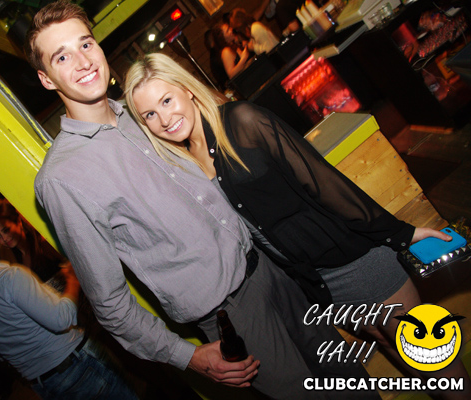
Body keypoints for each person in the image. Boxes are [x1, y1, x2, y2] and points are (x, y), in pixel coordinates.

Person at [26, 2, 379, 398]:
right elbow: (110, 303)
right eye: (62, 57)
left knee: (350, 378)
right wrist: (186, 356)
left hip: (272, 269)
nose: (83, 62)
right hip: (233, 315)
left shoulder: (142, 114)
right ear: (46, 79)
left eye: (85, 44)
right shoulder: (62, 178)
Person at [124, 52, 471, 399]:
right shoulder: (187, 162)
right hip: (315, 282)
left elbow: (323, 183)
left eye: (167, 100)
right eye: (149, 114)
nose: (164, 119)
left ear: (187, 89)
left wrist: (401, 233)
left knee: (428, 352)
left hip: (353, 258)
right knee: (388, 342)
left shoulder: (241, 121)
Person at [0, 223, 138, 400]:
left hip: (43, 384)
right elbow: (61, 319)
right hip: (75, 366)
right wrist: (72, 280)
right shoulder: (7, 277)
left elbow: (2, 353)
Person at [0, 201, 80, 299]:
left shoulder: (42, 242)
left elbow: (74, 263)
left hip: (77, 300)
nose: (4, 238)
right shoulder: (11, 260)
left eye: (6, 230)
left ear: (18, 221)